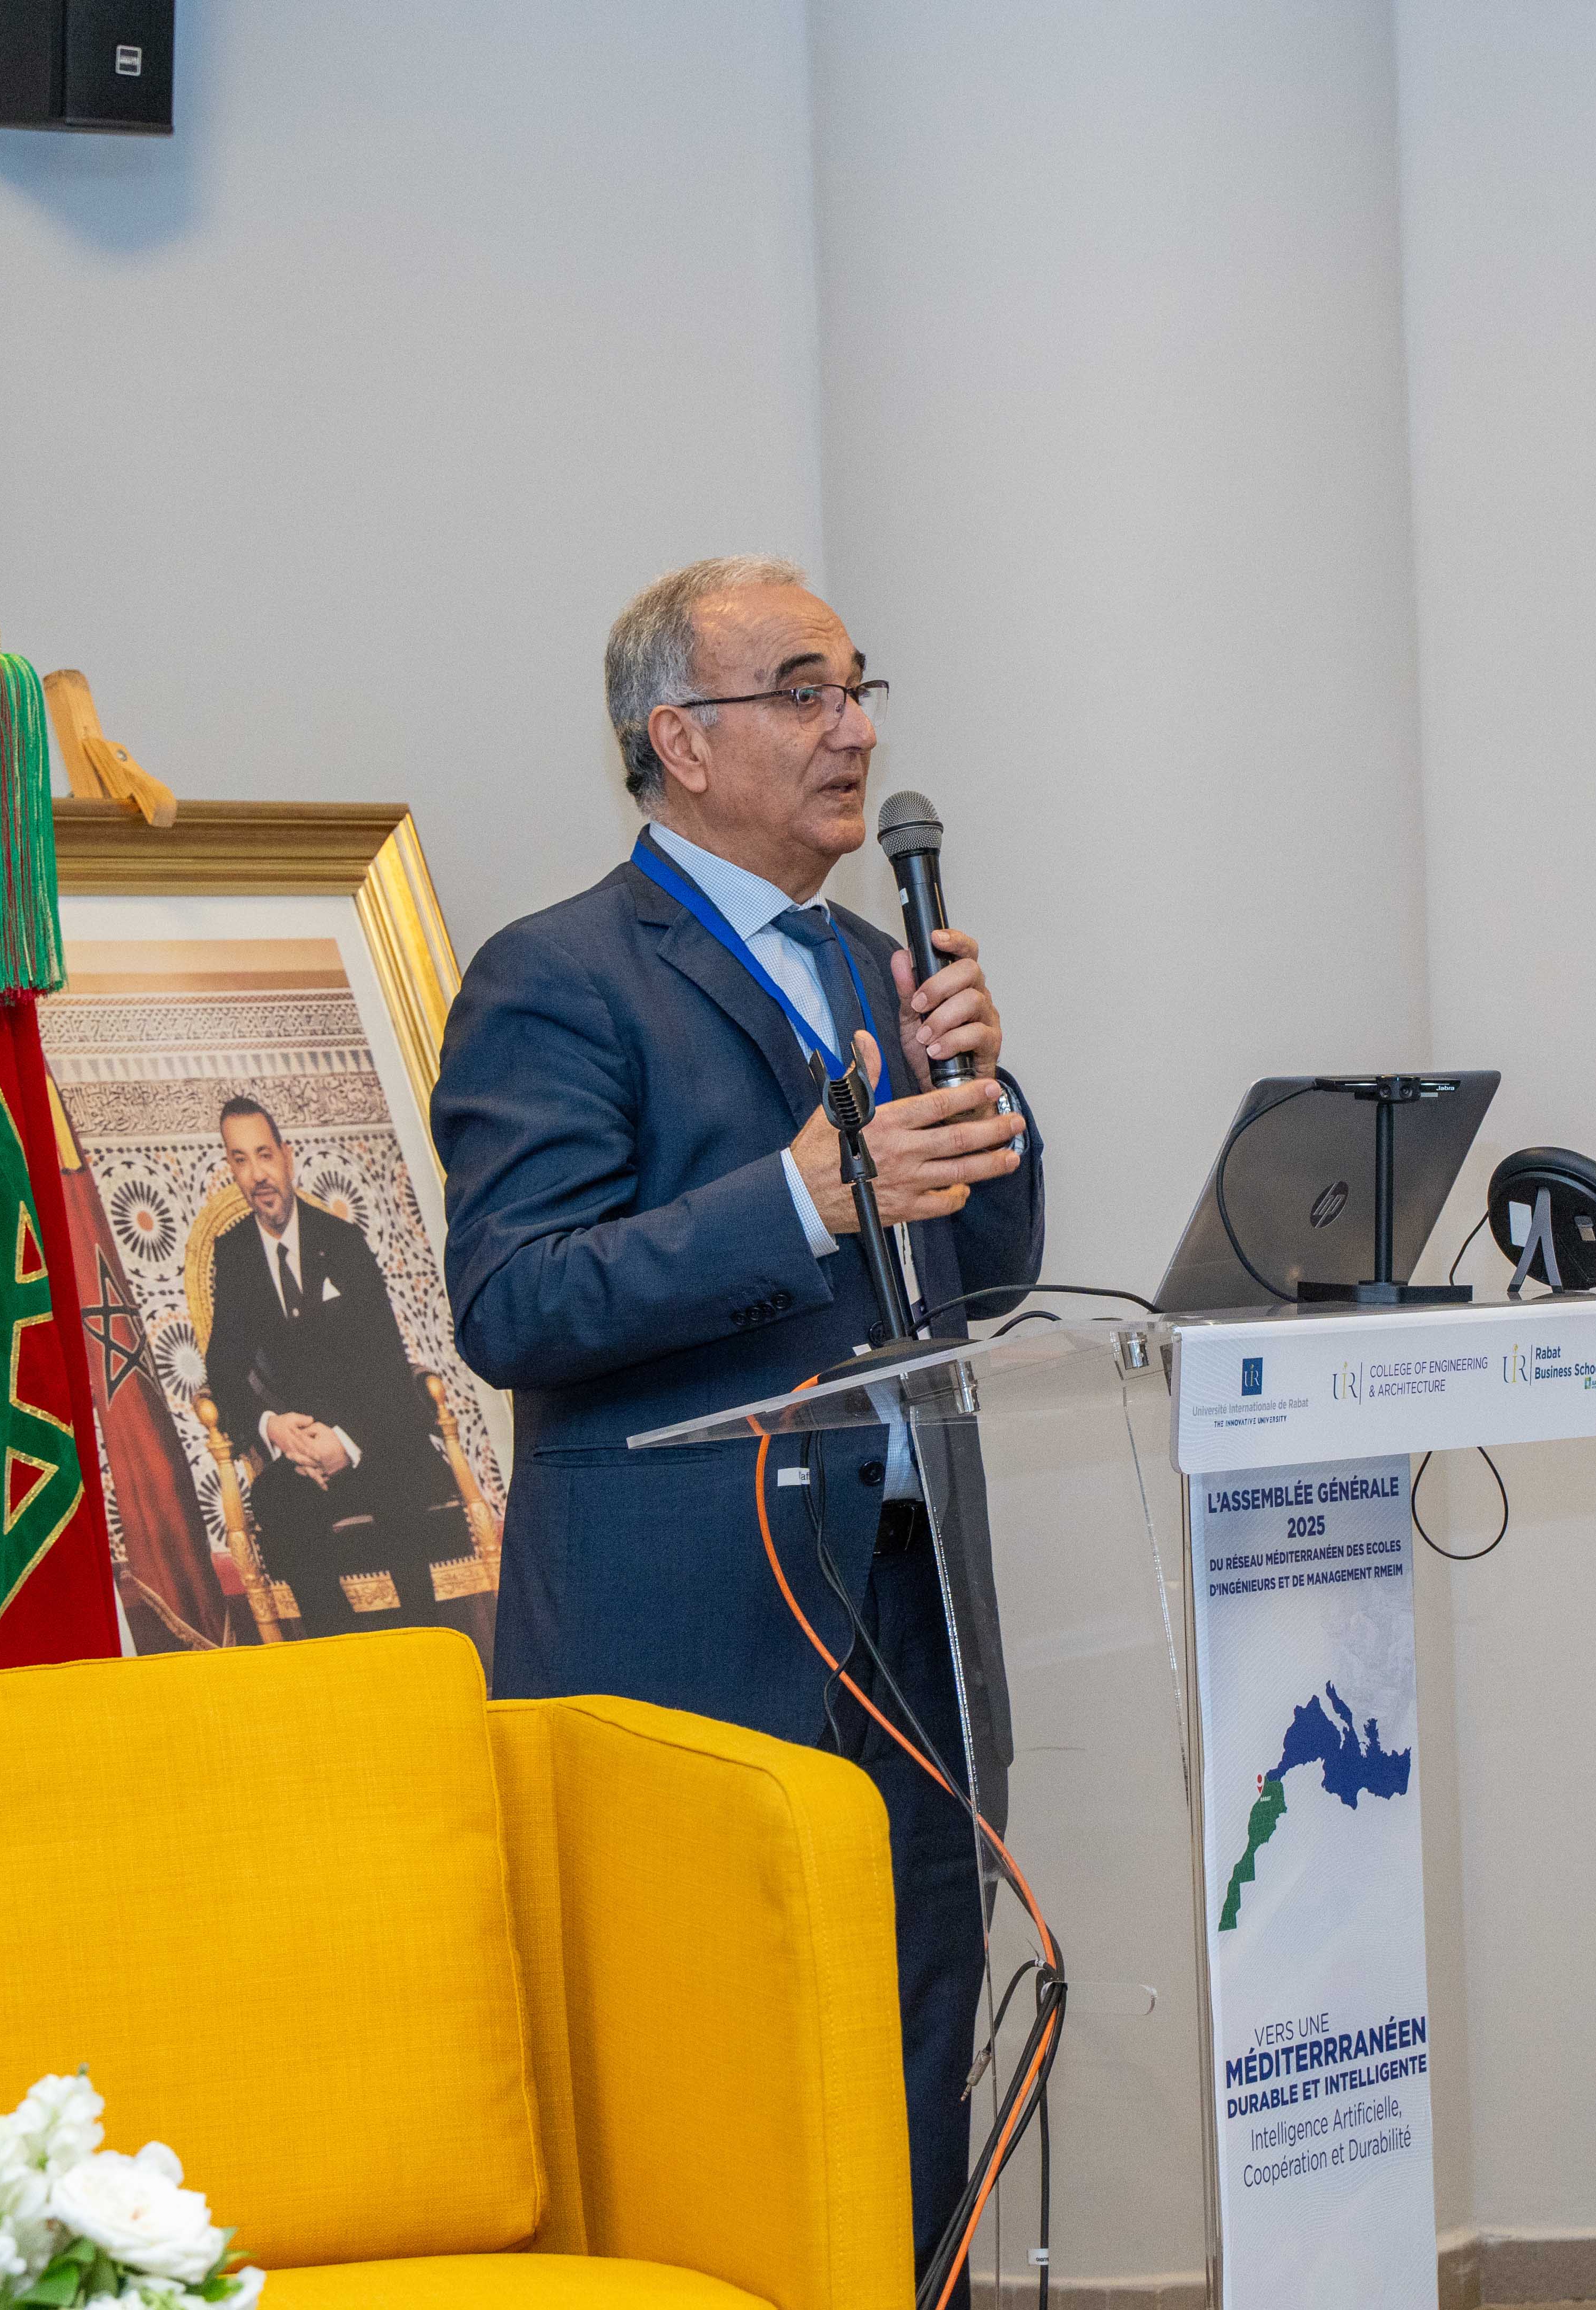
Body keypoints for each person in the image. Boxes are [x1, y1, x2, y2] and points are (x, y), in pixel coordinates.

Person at [432, 555, 1042, 2293]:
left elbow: (988, 1273)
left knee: (917, 2039)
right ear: (678, 740)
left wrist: (980, 1095)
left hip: (907, 1599)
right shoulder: (556, 976)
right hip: (690, 1627)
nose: (851, 730)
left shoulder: (872, 962)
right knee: (704, 2079)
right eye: (800, 692)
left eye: (856, 688)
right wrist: (796, 1200)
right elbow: (513, 1300)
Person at [202, 1095, 478, 1642]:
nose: (257, 1175)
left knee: (399, 1489)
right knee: (275, 1501)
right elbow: (224, 1369)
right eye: (241, 1160)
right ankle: (346, 1654)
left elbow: (388, 1363)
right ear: (231, 1168)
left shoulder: (342, 1241)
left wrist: (345, 1442)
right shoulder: (234, 1255)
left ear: (287, 1156)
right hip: (301, 1455)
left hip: (372, 1438)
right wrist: (274, 1429)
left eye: (264, 1155)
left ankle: (423, 1649)